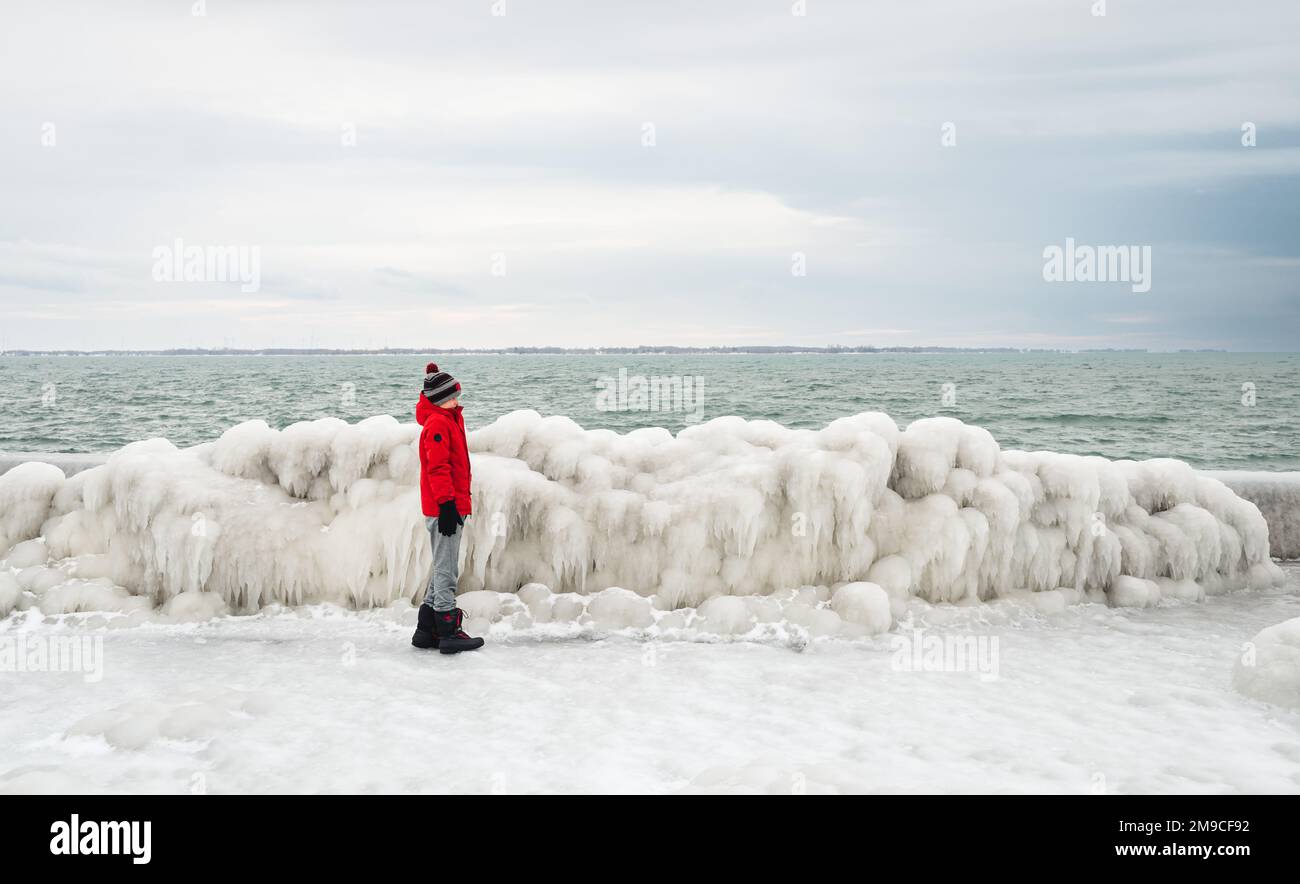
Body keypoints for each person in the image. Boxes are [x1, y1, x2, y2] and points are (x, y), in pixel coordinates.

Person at [411, 362, 484, 654]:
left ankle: (426, 630)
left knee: (443, 565)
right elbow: (437, 468)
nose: (458, 400)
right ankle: (448, 630)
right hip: (445, 507)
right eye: (453, 396)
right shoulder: (439, 423)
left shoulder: (448, 418)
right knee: (447, 570)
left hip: (450, 503)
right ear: (441, 399)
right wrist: (447, 505)